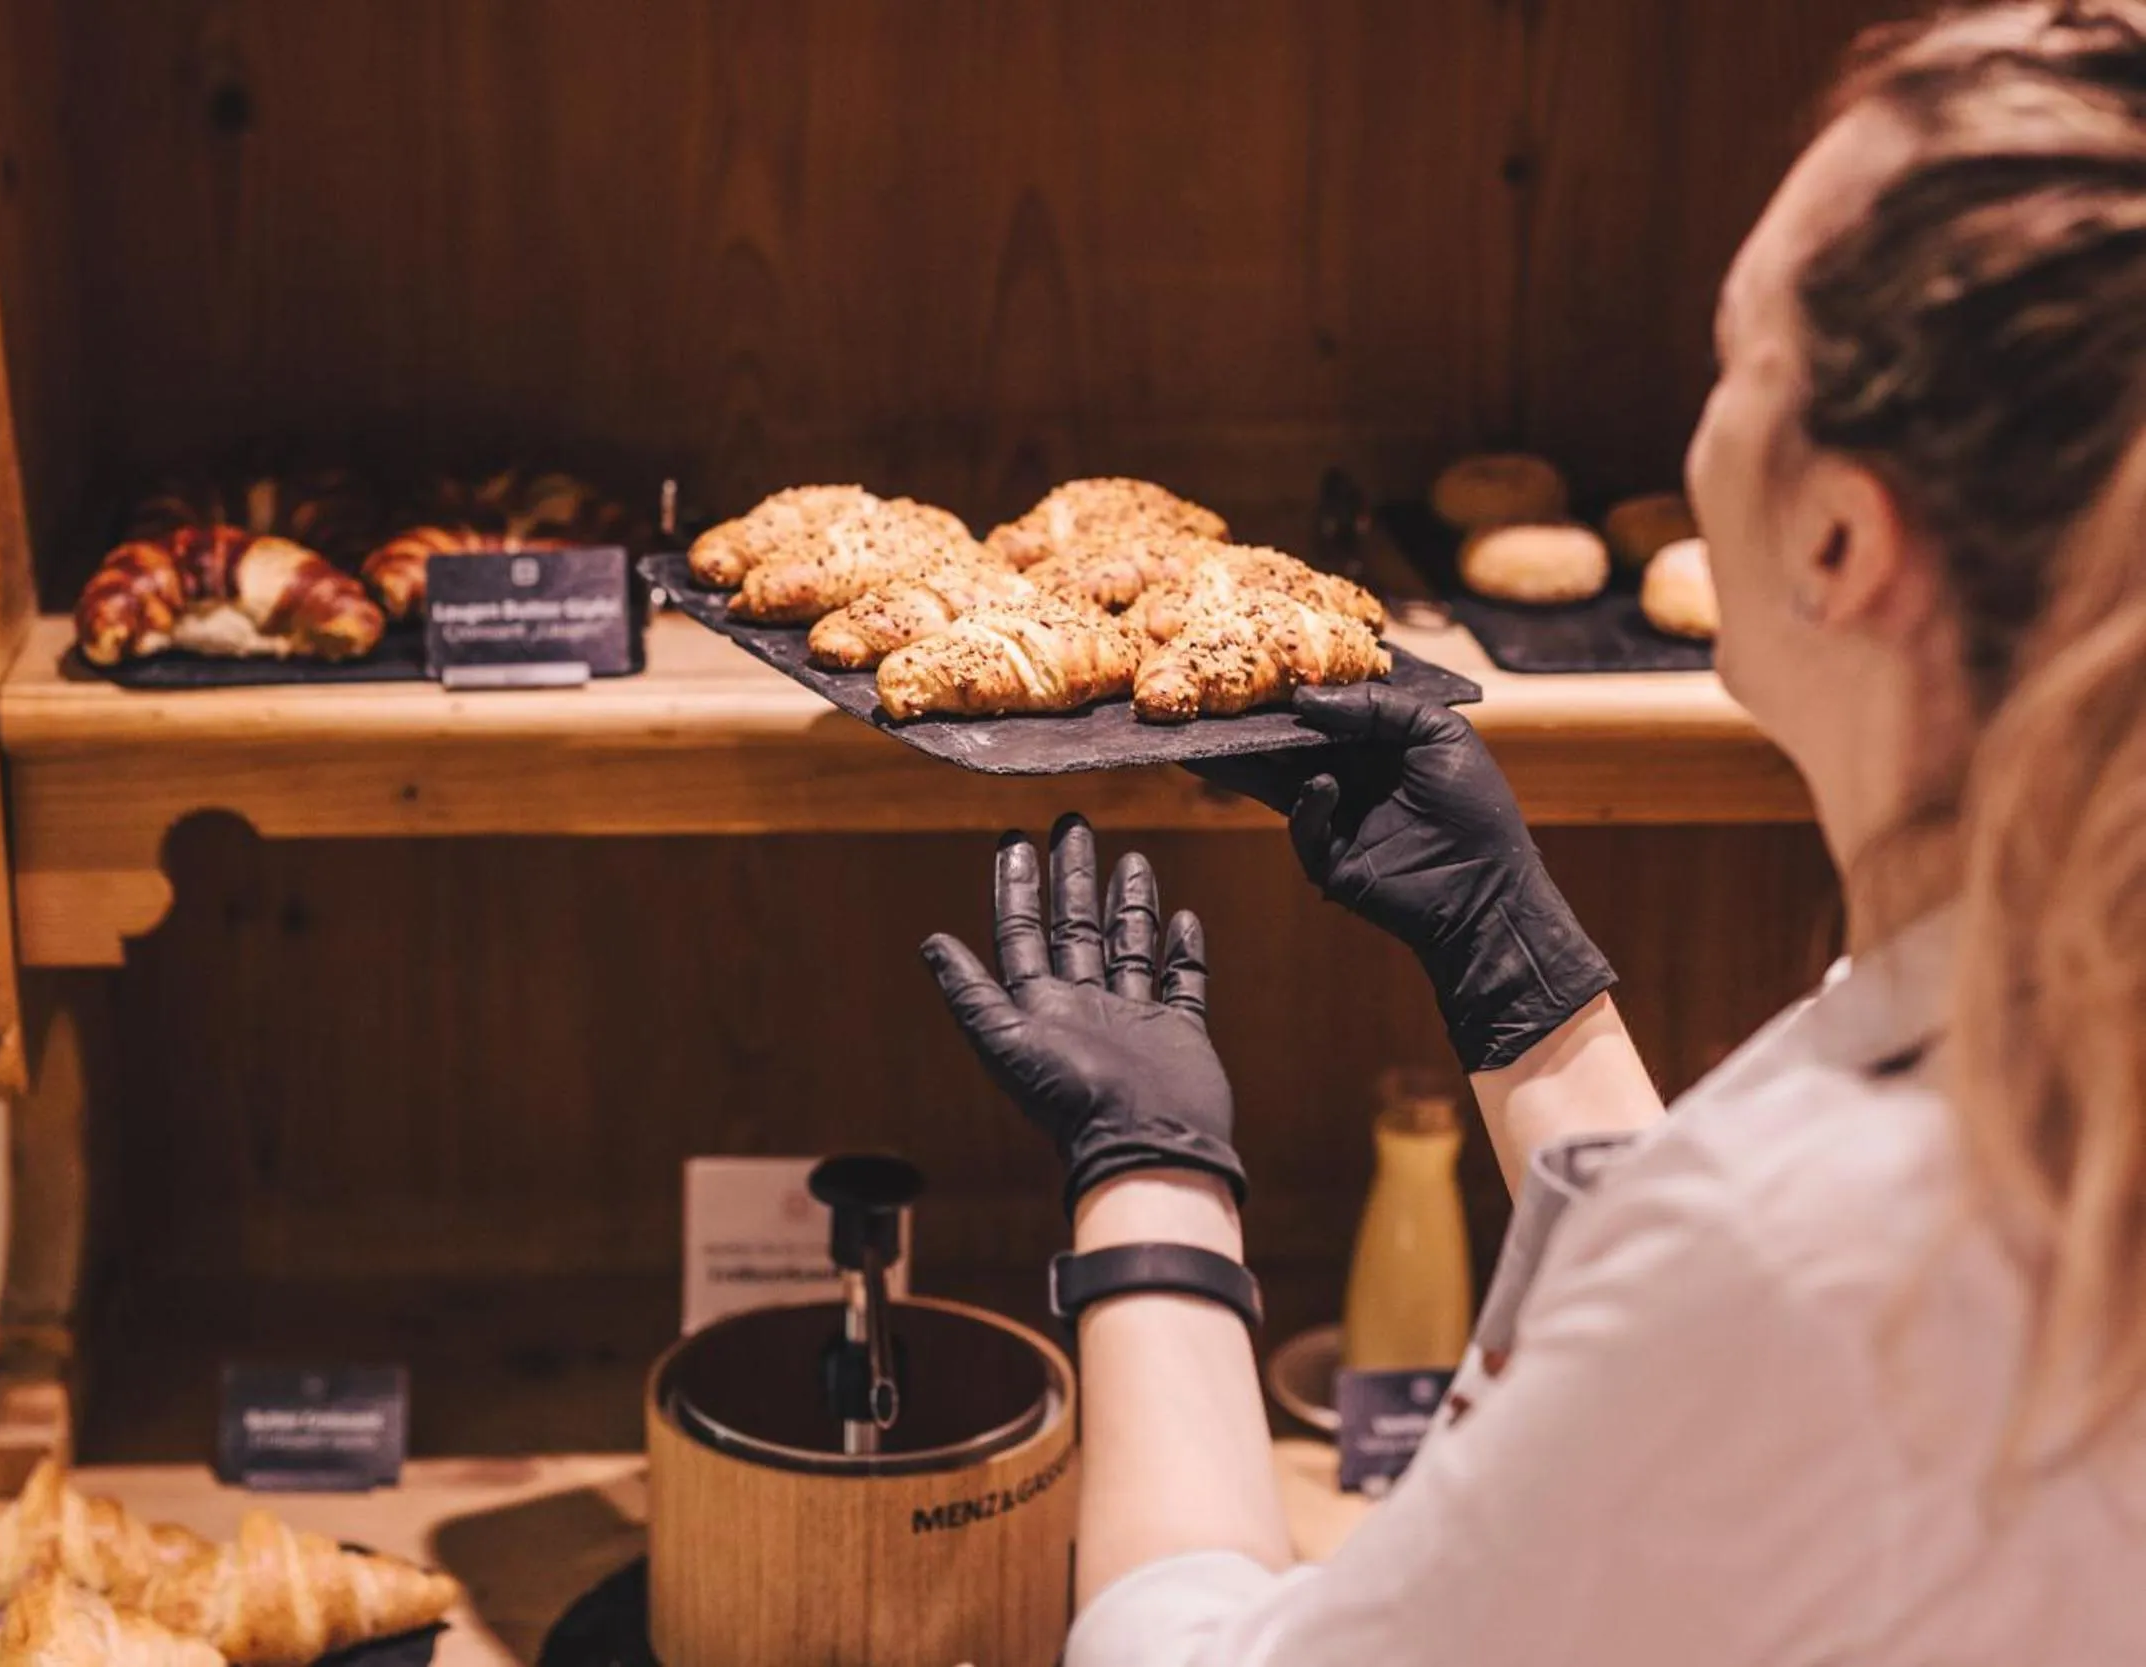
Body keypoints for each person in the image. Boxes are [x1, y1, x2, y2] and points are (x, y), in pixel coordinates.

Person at [918, 5, 2146, 1661]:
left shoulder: (1818, 1263)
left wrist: (1154, 1192)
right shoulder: (2034, 1056)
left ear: (1843, 535)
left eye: (1737, 358)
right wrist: (1535, 1001)